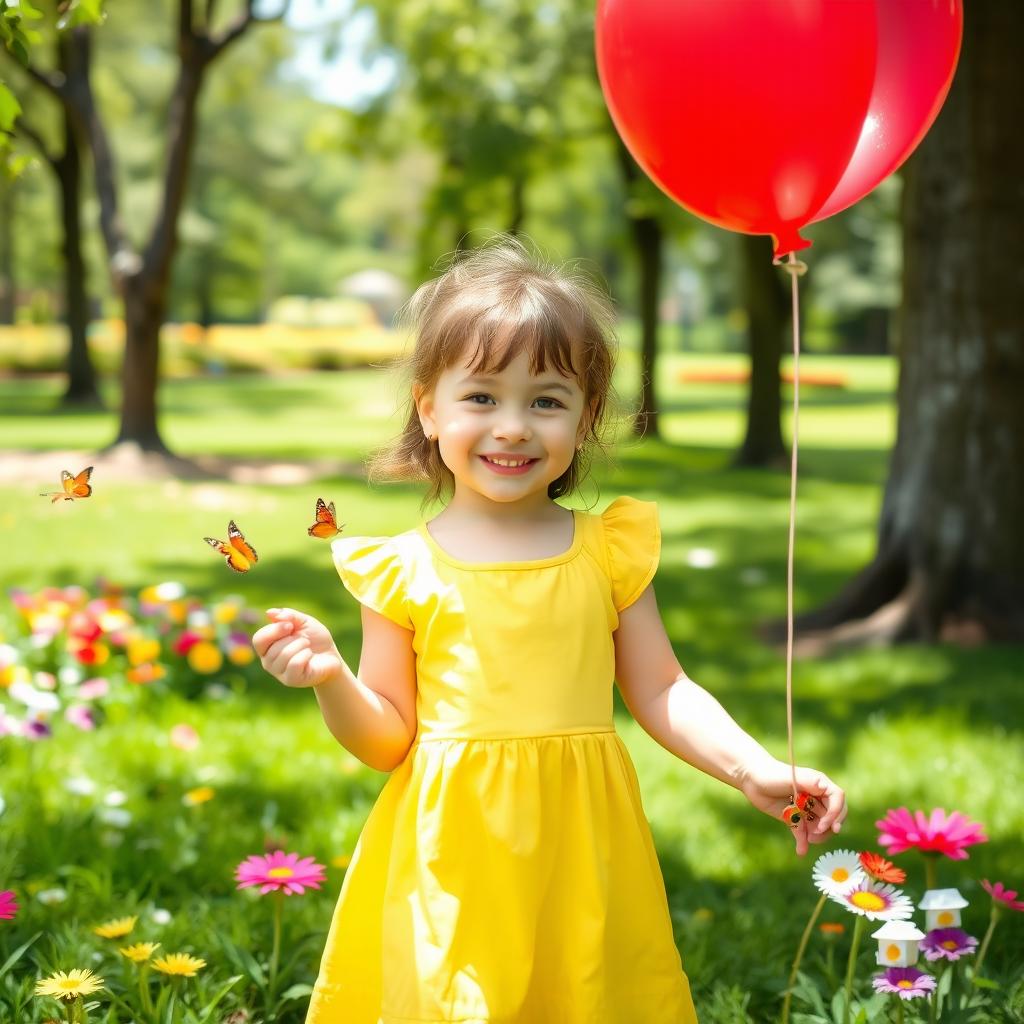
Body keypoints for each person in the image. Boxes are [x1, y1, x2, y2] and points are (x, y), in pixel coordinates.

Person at [252, 237, 847, 1024]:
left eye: (545, 400)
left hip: (582, 841)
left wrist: (749, 768)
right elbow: (387, 740)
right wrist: (331, 678)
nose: (512, 427)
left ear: (585, 416)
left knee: (582, 996)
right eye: (482, 398)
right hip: (454, 851)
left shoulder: (608, 550)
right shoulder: (398, 570)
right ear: (429, 407)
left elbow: (662, 687)